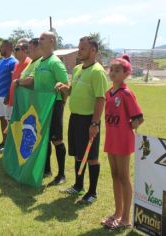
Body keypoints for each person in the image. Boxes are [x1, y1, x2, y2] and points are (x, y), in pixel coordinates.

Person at [57, 36, 109, 204]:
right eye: (79, 48)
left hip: (89, 120)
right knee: (79, 154)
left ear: (93, 51)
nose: (79, 51)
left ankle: (92, 192)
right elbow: (71, 91)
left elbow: (101, 99)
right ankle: (78, 186)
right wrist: (64, 88)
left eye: (82, 49)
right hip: (75, 118)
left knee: (91, 156)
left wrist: (94, 123)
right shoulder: (78, 68)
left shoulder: (98, 71)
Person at [101, 55, 143, 230]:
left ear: (126, 73)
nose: (113, 72)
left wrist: (133, 123)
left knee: (124, 177)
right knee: (114, 175)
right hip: (111, 139)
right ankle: (117, 213)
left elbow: (139, 118)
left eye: (118, 70)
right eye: (112, 69)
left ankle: (126, 218)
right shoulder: (109, 93)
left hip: (123, 140)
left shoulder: (126, 93)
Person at [27, 32, 69, 186]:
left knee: (56, 139)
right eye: (39, 38)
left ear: (52, 41)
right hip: (41, 106)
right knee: (43, 138)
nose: (39, 40)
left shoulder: (55, 63)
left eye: (42, 38)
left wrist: (61, 103)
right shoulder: (39, 63)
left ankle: (62, 174)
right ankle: (46, 169)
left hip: (54, 106)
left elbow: (67, 87)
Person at [0, 40, 17, 150]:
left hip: (7, 97)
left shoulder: (13, 62)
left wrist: (9, 95)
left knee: (9, 121)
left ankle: (11, 145)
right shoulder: (1, 62)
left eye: (2, 47)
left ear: (9, 48)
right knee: (1, 119)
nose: (0, 49)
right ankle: (4, 142)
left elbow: (13, 79)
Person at [7, 38, 31, 118]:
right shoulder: (17, 64)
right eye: (15, 49)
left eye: (17, 49)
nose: (14, 51)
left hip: (21, 104)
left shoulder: (29, 63)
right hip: (12, 102)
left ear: (25, 50)